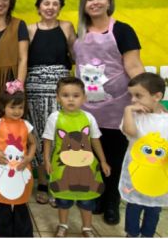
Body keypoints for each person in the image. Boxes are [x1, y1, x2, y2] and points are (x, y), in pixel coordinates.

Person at [74, 0, 145, 225]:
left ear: (108, 1)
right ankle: (99, 196)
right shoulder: (79, 32)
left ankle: (112, 202)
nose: (95, 2)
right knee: (93, 156)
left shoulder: (123, 30)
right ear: (84, 4)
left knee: (114, 158)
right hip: (87, 108)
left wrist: (145, 95)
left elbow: (133, 65)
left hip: (116, 107)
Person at [119, 72, 168, 238]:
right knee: (134, 205)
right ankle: (132, 233)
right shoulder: (134, 117)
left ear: (157, 96)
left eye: (138, 96)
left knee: (154, 208)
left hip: (157, 175)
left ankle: (148, 234)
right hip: (137, 174)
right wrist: (128, 110)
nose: (133, 100)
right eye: (131, 96)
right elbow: (130, 131)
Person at [43, 76, 111, 238]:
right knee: (63, 199)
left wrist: (103, 161)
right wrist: (46, 160)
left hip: (86, 166)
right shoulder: (55, 117)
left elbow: (95, 140)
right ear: (58, 98)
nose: (71, 99)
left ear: (84, 98)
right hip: (62, 167)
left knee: (86, 200)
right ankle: (63, 225)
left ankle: (87, 228)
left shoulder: (88, 118)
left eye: (76, 95)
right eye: (65, 95)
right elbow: (48, 140)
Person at [26, 0, 76, 205]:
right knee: (38, 134)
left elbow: (76, 55)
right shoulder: (30, 29)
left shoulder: (67, 27)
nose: (50, 7)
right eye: (46, 3)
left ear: (60, 8)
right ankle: (43, 182)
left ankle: (58, 181)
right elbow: (23, 59)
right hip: (35, 88)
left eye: (55, 4)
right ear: (39, 7)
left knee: (60, 135)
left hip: (61, 89)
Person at [0, 80, 35, 237]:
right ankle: (3, 231)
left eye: (20, 107)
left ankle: (23, 231)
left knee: (20, 200)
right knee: (3, 200)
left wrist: (29, 157)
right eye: (12, 107)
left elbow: (33, 143)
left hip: (21, 167)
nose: (17, 111)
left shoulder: (26, 125)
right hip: (3, 166)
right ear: (3, 107)